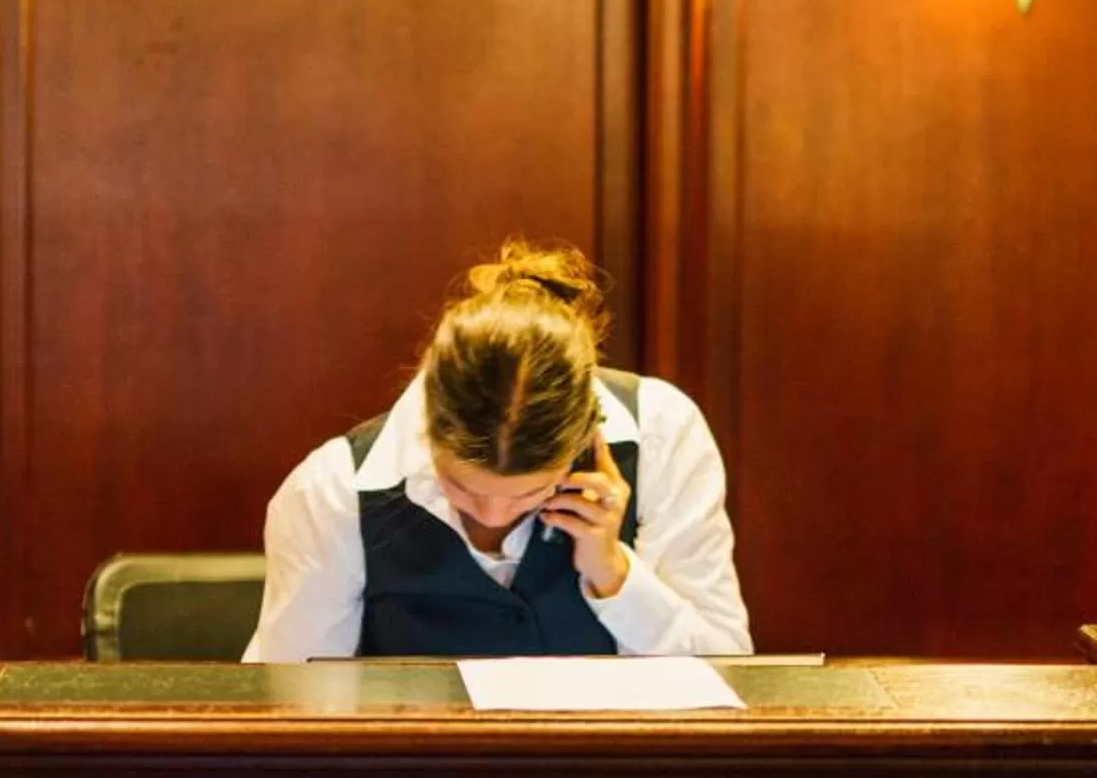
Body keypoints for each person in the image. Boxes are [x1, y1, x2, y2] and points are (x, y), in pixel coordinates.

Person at [244, 240, 752, 661]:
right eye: (461, 487)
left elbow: (729, 674)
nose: (494, 512)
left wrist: (614, 574)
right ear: (428, 426)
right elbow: (294, 711)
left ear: (584, 439)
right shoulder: (333, 493)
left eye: (531, 492)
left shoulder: (661, 434)